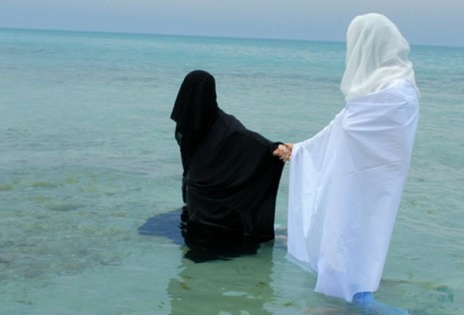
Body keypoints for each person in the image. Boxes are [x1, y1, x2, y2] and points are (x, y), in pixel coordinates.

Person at [276, 13, 420, 305]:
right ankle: (350, 290)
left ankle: (354, 295)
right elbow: (342, 126)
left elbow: (351, 128)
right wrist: (300, 149)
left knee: (357, 227)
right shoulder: (379, 89)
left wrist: (305, 150)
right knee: (347, 229)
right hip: (359, 173)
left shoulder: (397, 92)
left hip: (374, 177)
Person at [171, 70, 288, 250]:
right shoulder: (200, 124)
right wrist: (273, 148)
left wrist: (273, 149)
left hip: (200, 196)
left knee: (203, 251)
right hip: (200, 198)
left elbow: (245, 139)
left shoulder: (192, 123)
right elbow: (244, 140)